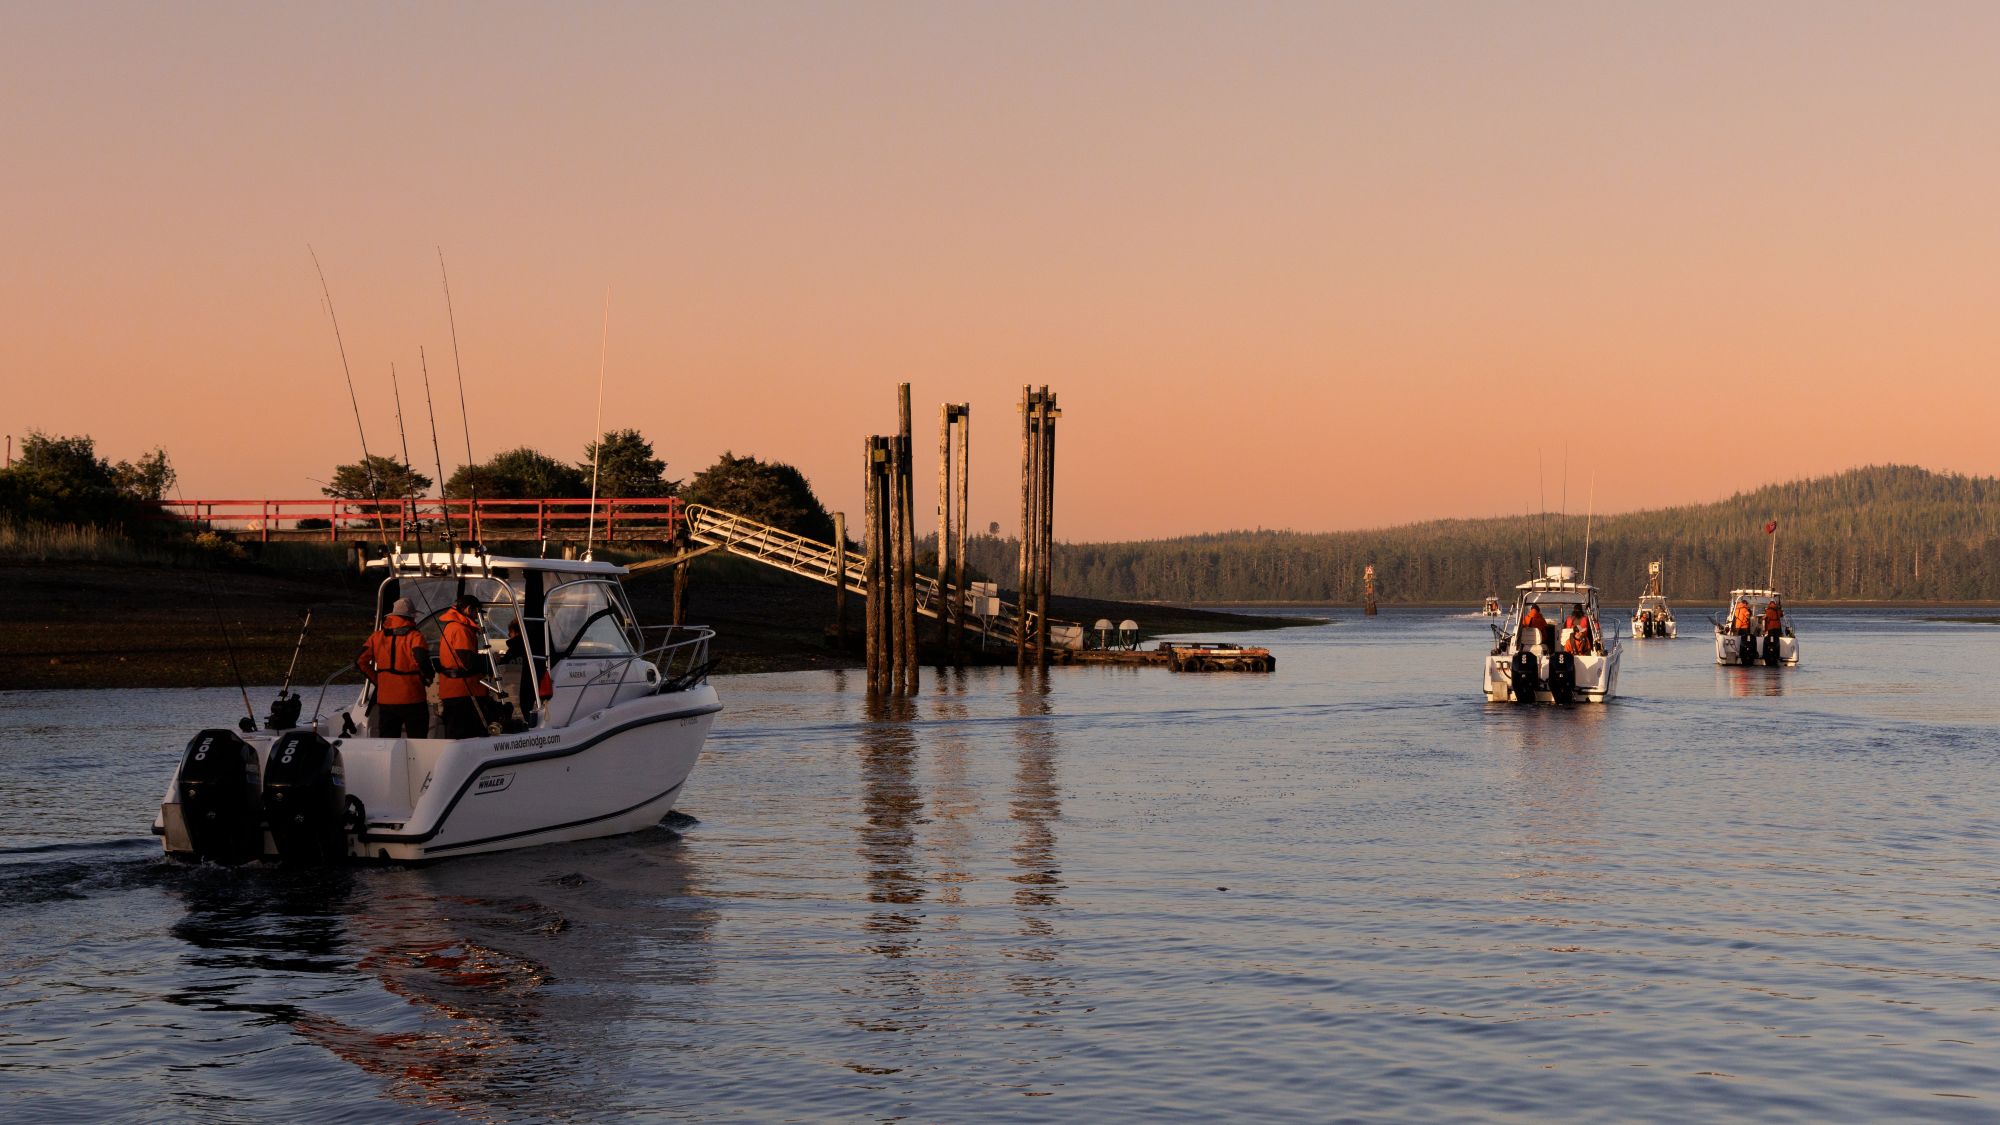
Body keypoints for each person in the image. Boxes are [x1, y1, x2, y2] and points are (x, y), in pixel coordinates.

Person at [357, 596, 433, 737]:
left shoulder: (376, 637)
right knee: (418, 741)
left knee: (388, 741)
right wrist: (429, 677)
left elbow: (359, 661)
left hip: (386, 701)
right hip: (413, 698)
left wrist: (378, 680)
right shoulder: (415, 636)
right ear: (411, 617)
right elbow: (422, 659)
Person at [437, 594, 494, 739]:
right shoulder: (461, 630)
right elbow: (468, 662)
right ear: (469, 610)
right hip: (464, 693)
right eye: (476, 612)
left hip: (452, 691)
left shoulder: (451, 627)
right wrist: (491, 660)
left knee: (455, 735)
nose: (477, 617)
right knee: (467, 735)